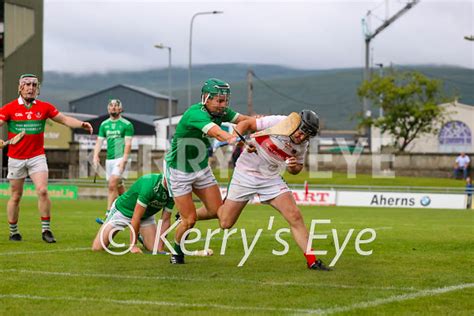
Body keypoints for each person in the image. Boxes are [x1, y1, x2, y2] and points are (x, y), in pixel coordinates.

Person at [197, 110, 331, 271]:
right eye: (302, 133)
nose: (301, 138)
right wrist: (235, 138)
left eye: (306, 136)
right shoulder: (279, 121)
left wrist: (294, 166)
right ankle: (189, 215)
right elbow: (247, 123)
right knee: (225, 222)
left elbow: (297, 169)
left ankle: (312, 261)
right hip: (245, 172)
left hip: (271, 178)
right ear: (296, 124)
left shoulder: (303, 144)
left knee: (294, 215)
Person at [164, 78, 252, 264]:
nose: (223, 105)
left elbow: (245, 120)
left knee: (216, 211)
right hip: (180, 171)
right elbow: (216, 132)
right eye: (219, 101)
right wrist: (232, 138)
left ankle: (182, 216)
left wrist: (263, 123)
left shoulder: (222, 112)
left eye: (225, 101)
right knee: (190, 221)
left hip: (201, 168)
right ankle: (177, 253)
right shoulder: (195, 113)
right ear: (206, 98)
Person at [0, 74, 93, 243]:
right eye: (27, 84)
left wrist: (81, 124)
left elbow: (64, 119)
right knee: (16, 196)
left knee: (42, 191)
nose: (31, 88)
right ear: (20, 88)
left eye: (34, 85)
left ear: (38, 89)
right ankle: (13, 232)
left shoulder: (44, 107)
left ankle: (46, 231)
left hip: (37, 157)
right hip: (16, 158)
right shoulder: (9, 108)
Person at [92, 173, 173, 253]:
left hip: (146, 216)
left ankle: (140, 234)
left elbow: (165, 220)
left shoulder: (174, 191)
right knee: (97, 248)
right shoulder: (150, 184)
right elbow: (136, 216)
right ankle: (136, 232)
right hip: (123, 211)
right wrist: (133, 246)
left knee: (154, 248)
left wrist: (160, 247)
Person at [93, 99, 134, 222]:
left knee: (112, 184)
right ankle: (132, 209)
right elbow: (99, 141)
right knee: (119, 187)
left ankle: (108, 214)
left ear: (120, 109)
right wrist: (95, 156)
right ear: (108, 109)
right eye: (111, 105)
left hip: (121, 158)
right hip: (109, 160)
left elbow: (128, 144)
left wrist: (124, 160)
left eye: (116, 106)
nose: (113, 107)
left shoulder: (127, 125)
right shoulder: (104, 125)